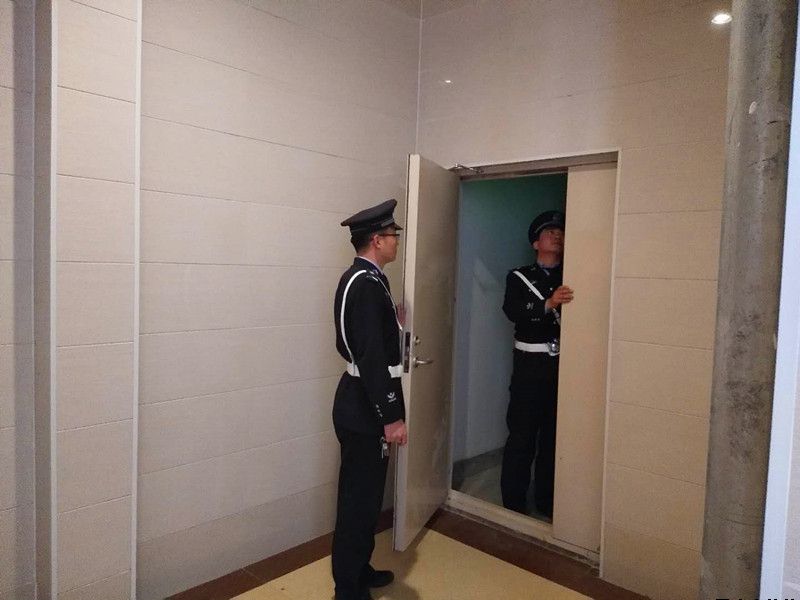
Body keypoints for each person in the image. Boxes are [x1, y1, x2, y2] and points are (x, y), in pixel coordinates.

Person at [332, 198, 409, 600]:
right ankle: (348, 588)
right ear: (377, 240)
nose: (397, 241)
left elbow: (368, 337)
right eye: (393, 235)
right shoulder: (364, 284)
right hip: (365, 405)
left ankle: (359, 570)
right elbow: (371, 359)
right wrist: (392, 417)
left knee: (366, 499)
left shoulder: (368, 278)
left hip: (362, 399)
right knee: (357, 503)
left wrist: (392, 322)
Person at [500, 210, 573, 519]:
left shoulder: (572, 274)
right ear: (535, 243)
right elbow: (513, 310)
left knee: (553, 436)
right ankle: (513, 502)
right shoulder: (519, 277)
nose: (557, 236)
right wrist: (549, 303)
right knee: (522, 434)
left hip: (563, 365)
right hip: (529, 365)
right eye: (549, 232)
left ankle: (547, 500)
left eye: (560, 232)